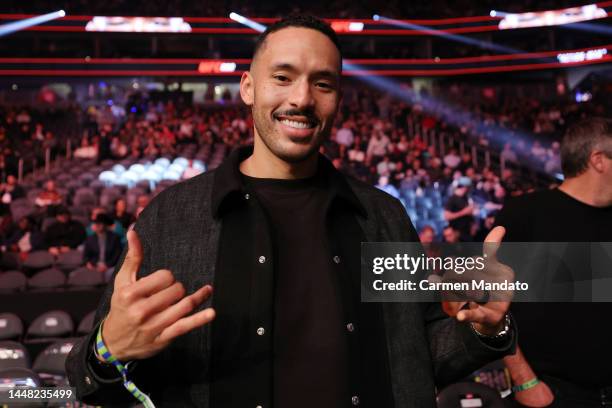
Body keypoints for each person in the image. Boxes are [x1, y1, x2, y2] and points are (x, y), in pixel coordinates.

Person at [66, 16, 514, 408]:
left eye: (322, 83)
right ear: (248, 87)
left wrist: (487, 329)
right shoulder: (173, 216)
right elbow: (90, 378)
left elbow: (416, 357)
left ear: (338, 98)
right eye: (283, 77)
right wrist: (108, 350)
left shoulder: (382, 216)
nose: (301, 98)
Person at [495, 118, 612, 407]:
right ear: (598, 160)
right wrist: (526, 381)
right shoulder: (526, 215)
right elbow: (492, 308)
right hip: (554, 393)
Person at [84, 213, 123, 282]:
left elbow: (117, 255)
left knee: (111, 273)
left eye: (100, 223)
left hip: (110, 266)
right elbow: (86, 256)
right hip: (94, 266)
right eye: (96, 223)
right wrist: (89, 263)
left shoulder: (114, 238)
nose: (97, 225)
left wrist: (107, 265)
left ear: (105, 225)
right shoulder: (90, 239)